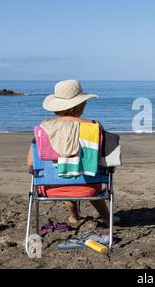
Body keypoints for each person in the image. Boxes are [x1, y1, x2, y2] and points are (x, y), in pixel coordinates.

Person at [27, 79, 109, 226]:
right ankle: (107, 218)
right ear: (81, 105)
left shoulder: (44, 130)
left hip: (51, 188)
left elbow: (31, 162)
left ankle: (74, 217)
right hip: (89, 188)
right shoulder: (93, 128)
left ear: (56, 107)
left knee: (63, 172)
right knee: (81, 173)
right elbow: (105, 159)